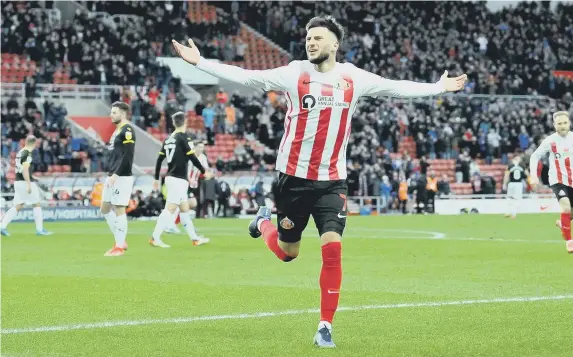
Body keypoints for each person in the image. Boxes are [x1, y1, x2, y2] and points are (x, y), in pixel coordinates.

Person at [172, 15, 467, 348]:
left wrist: (439, 87)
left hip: (332, 181)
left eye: (317, 38)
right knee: (288, 254)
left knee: (333, 250)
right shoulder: (294, 72)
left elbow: (395, 87)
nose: (310, 42)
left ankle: (325, 325)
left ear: (334, 44)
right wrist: (201, 63)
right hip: (292, 180)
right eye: (308, 38)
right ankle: (264, 224)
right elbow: (247, 76)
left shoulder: (353, 77)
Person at [151, 112, 210, 247]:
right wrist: (203, 171)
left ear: (173, 123)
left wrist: (155, 178)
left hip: (171, 178)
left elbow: (159, 160)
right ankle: (155, 237)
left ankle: (195, 239)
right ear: (185, 122)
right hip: (178, 179)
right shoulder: (184, 138)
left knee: (184, 210)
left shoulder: (167, 139)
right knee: (170, 209)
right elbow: (192, 157)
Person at [529, 111, 573, 253]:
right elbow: (535, 156)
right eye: (559, 123)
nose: (563, 126)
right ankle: (569, 241)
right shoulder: (550, 141)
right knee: (565, 206)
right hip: (558, 180)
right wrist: (533, 175)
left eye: (565, 123)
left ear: (569, 123)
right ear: (554, 125)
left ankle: (563, 223)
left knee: (568, 214)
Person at [101, 102, 136, 257]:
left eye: (114, 112)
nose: (111, 115)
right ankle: (120, 239)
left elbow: (128, 155)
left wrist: (117, 173)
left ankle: (119, 246)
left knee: (119, 208)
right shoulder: (118, 131)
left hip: (121, 175)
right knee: (104, 208)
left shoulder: (128, 130)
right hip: (112, 174)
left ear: (122, 114)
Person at [0, 135, 53, 236]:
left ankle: (2, 226)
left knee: (18, 205)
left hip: (18, 181)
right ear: (34, 143)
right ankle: (39, 230)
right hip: (25, 182)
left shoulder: (20, 152)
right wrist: (29, 184)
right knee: (36, 203)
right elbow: (25, 169)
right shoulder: (27, 154)